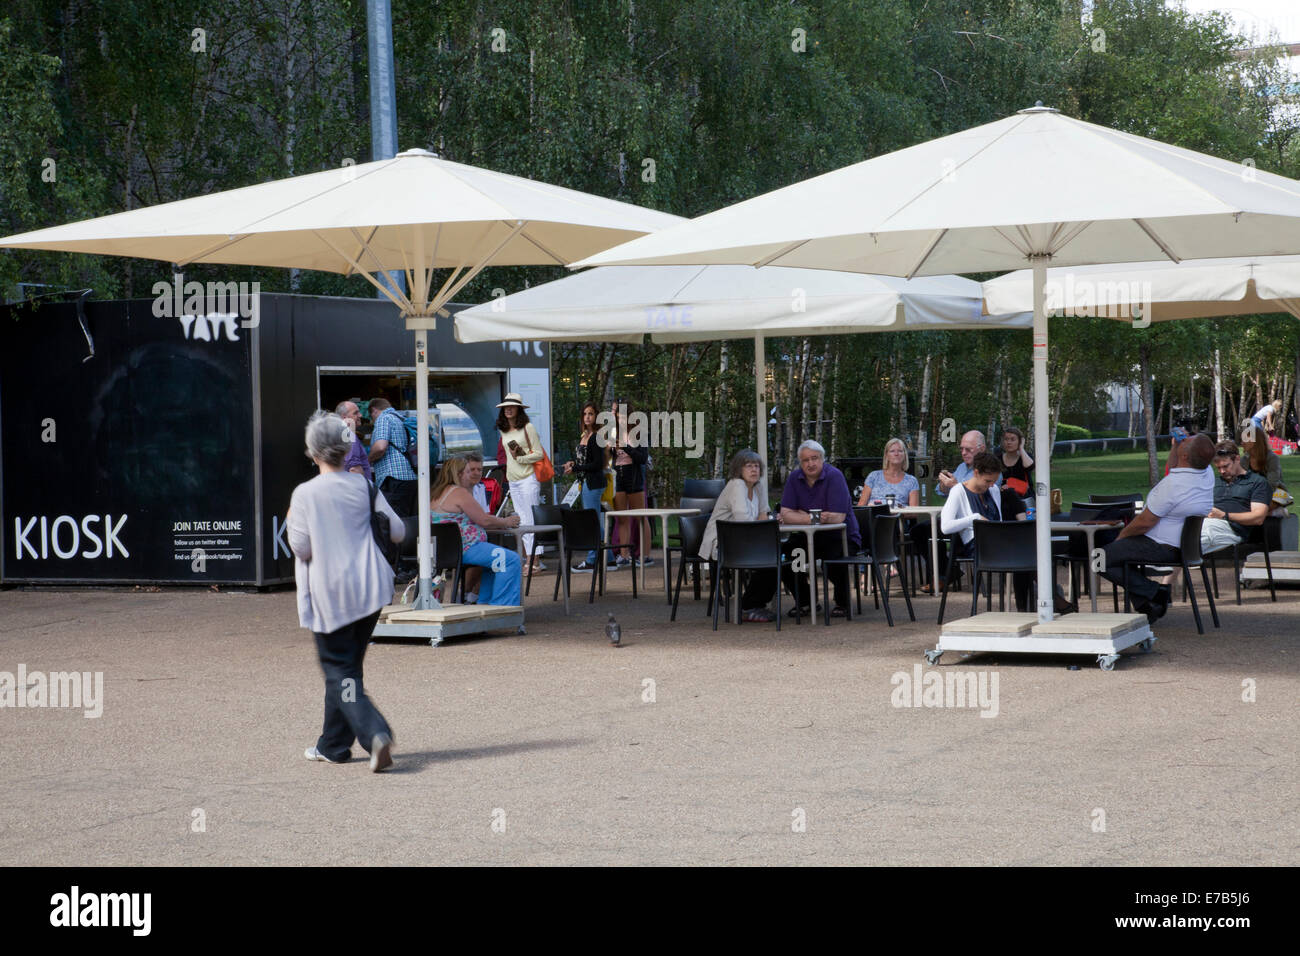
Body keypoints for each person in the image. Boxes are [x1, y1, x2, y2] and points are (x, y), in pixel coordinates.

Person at [287, 411, 403, 773]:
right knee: (347, 668)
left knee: (338, 669)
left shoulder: (305, 494)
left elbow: (301, 548)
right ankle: (333, 745)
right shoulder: (364, 485)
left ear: (312, 451)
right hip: (369, 588)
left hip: (330, 592)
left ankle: (374, 733)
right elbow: (397, 531)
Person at [1100, 433, 1216, 624]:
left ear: (1186, 456)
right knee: (1114, 552)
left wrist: (1122, 537)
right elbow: (1176, 468)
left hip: (1160, 546)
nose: (1185, 437)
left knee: (1100, 557)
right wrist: (1176, 447)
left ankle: (1155, 592)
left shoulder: (1171, 486)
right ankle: (1146, 606)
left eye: (1187, 440)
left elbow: (1145, 522)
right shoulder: (1206, 473)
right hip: (1187, 547)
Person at [778, 439, 860, 617]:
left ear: (822, 459)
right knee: (790, 557)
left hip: (840, 536)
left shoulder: (834, 476)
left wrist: (800, 514)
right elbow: (785, 513)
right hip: (808, 538)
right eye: (805, 460)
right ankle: (806, 602)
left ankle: (843, 602)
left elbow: (837, 517)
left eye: (814, 458)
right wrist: (814, 517)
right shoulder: (794, 478)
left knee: (832, 559)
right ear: (800, 462)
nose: (810, 463)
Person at [911, 429, 999, 593]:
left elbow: (980, 495)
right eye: (961, 449)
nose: (964, 453)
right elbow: (942, 490)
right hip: (965, 526)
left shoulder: (992, 472)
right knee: (923, 531)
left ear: (981, 449)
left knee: (928, 531)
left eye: (968, 449)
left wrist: (954, 487)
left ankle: (946, 573)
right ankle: (945, 572)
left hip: (980, 530)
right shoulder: (961, 468)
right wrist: (947, 486)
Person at [428, 456, 524, 606]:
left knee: (494, 564)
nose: (471, 475)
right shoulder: (459, 493)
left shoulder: (436, 493)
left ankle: (484, 605)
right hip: (466, 548)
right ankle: (502, 608)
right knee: (511, 560)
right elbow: (483, 520)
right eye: (468, 471)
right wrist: (506, 521)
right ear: (458, 474)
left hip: (444, 550)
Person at [700, 449, 776, 622]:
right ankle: (749, 606)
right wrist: (764, 528)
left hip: (747, 541)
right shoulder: (737, 485)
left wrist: (764, 524)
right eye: (748, 466)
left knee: (778, 556)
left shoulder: (758, 486)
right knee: (772, 559)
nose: (754, 470)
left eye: (756, 466)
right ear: (738, 469)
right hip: (724, 543)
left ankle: (753, 604)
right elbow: (742, 520)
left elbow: (764, 513)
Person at [497, 393, 546, 573]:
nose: (508, 409)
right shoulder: (504, 430)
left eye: (512, 406)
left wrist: (521, 458)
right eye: (505, 407)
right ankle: (529, 559)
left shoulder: (528, 427)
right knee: (522, 520)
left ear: (519, 409)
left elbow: (539, 454)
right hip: (514, 480)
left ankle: (534, 561)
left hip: (528, 478)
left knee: (531, 519)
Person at [563, 401, 613, 572]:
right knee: (596, 521)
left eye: (590, 414)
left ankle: (593, 560)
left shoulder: (597, 437)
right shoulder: (584, 435)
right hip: (586, 482)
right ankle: (610, 558)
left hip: (594, 483)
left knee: (592, 522)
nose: (587, 417)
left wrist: (576, 467)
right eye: (585, 414)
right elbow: (585, 460)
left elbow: (597, 464)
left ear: (596, 416)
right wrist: (573, 464)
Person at [1199, 440, 1272, 555]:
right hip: (1207, 524)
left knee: (1196, 534)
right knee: (1180, 531)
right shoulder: (1213, 482)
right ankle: (1172, 565)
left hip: (1233, 530)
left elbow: (1258, 518)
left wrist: (1224, 515)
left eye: (1225, 466)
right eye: (1218, 468)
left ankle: (1175, 559)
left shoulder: (1257, 482)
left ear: (1237, 459)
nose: (1222, 471)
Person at [609, 398, 651, 568]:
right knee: (622, 518)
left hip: (633, 475)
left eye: (615, 411)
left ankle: (646, 555)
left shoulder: (638, 432)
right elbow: (611, 456)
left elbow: (642, 458)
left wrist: (625, 447)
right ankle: (624, 555)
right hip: (618, 474)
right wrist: (611, 449)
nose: (612, 414)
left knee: (640, 516)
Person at [366, 397, 416, 519]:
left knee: (395, 521)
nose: (372, 421)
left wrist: (366, 460)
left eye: (371, 417)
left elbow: (380, 447)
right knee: (409, 520)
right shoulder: (400, 419)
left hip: (394, 479)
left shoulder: (384, 418)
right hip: (410, 477)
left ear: (374, 411)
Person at [857, 438, 920, 507]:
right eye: (892, 451)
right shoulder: (873, 476)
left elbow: (914, 512)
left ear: (904, 455)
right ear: (886, 455)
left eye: (900, 451)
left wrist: (896, 512)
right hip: (874, 516)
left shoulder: (912, 481)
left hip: (899, 517)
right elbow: (861, 506)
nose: (896, 454)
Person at [1239, 420, 1284, 493]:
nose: (1242, 443)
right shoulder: (1245, 459)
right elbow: (1241, 482)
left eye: (1245, 440)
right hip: (1251, 496)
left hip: (1272, 495)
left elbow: (1272, 483)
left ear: (1255, 441)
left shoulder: (1272, 458)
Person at [334, 399, 372, 481]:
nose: (361, 415)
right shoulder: (348, 434)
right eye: (355, 413)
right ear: (344, 418)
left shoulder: (338, 434)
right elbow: (354, 468)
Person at [999, 426, 1034, 498]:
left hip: (1024, 497)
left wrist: (1021, 448)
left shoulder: (1025, 457)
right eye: (1006, 439)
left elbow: (1030, 467)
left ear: (1020, 441)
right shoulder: (997, 458)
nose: (1009, 442)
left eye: (1013, 439)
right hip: (1004, 497)